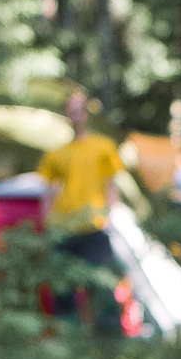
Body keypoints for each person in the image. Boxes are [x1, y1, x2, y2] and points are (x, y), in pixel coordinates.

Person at [38, 90, 129, 328]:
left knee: (102, 289)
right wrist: (47, 225)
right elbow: (48, 194)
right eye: (70, 109)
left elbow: (111, 186)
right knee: (63, 291)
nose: (75, 114)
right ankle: (69, 341)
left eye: (79, 109)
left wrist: (109, 216)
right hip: (63, 230)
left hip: (94, 228)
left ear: (87, 113)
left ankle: (111, 343)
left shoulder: (104, 147)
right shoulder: (55, 155)